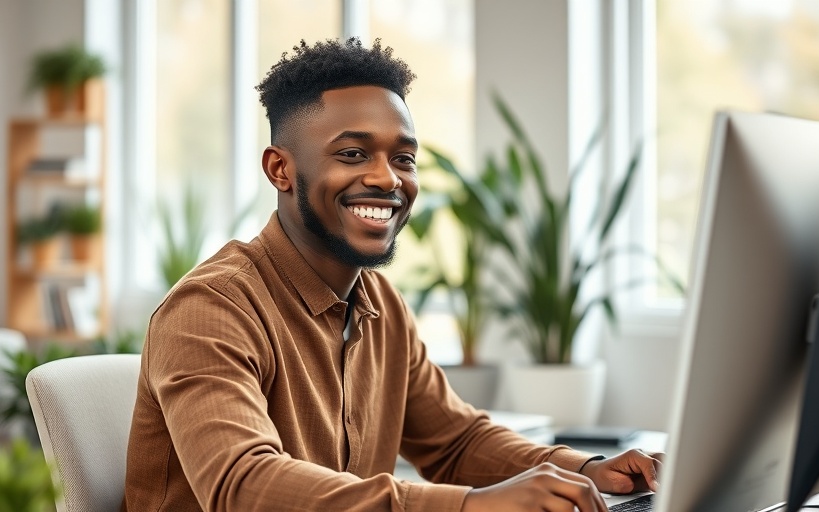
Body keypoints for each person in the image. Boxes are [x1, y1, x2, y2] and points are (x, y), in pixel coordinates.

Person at [122, 38, 661, 512]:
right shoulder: (211, 309)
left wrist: (584, 469)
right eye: (354, 153)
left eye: (403, 159)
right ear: (279, 169)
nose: (386, 178)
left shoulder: (379, 303)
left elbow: (455, 441)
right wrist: (469, 508)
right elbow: (243, 486)